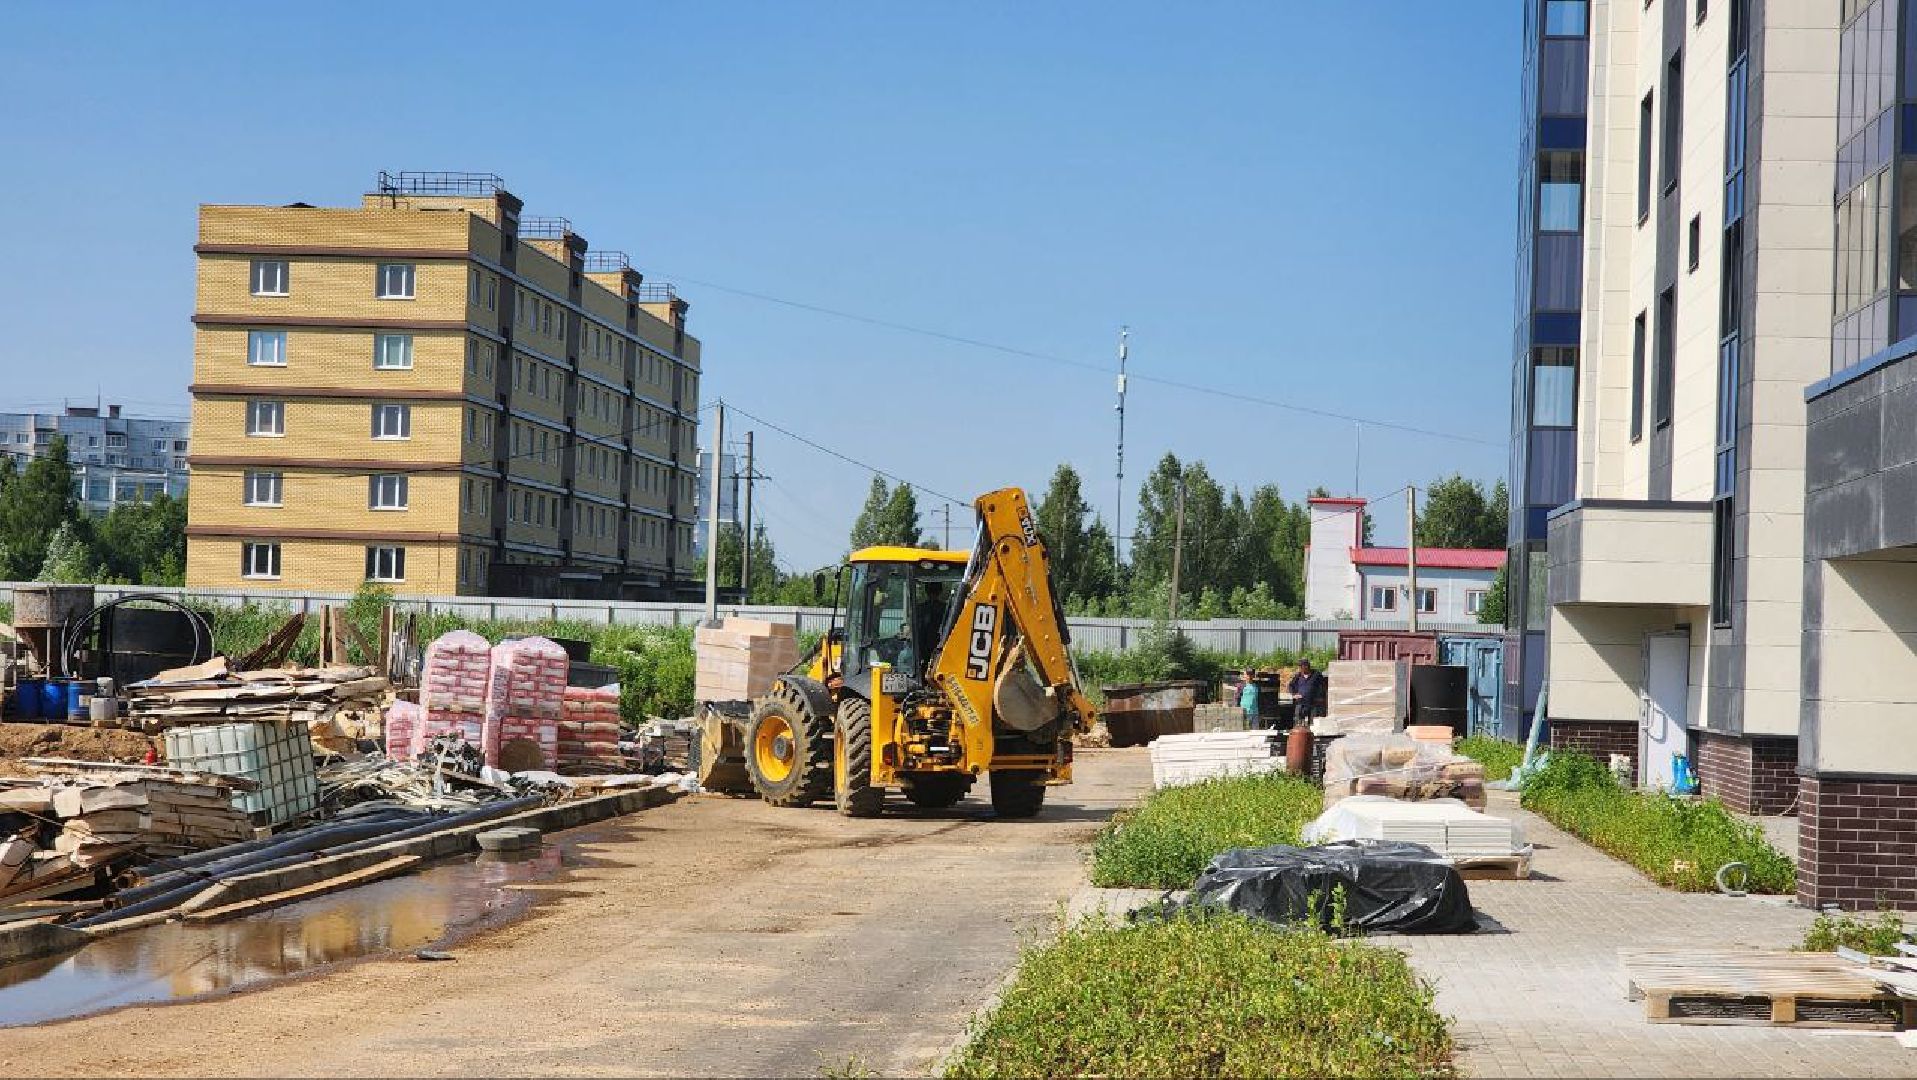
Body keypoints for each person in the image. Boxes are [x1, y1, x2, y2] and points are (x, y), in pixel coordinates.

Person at [1288, 659, 1326, 726]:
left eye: (1301, 667)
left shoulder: (1317, 675)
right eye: (1299, 667)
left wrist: (1320, 697)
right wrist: (1294, 694)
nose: (1300, 669)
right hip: (1300, 703)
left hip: (1313, 703)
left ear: (1306, 666)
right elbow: (1291, 685)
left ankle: (1311, 735)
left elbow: (1323, 686)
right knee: (1298, 722)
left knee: (1313, 723)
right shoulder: (1298, 675)